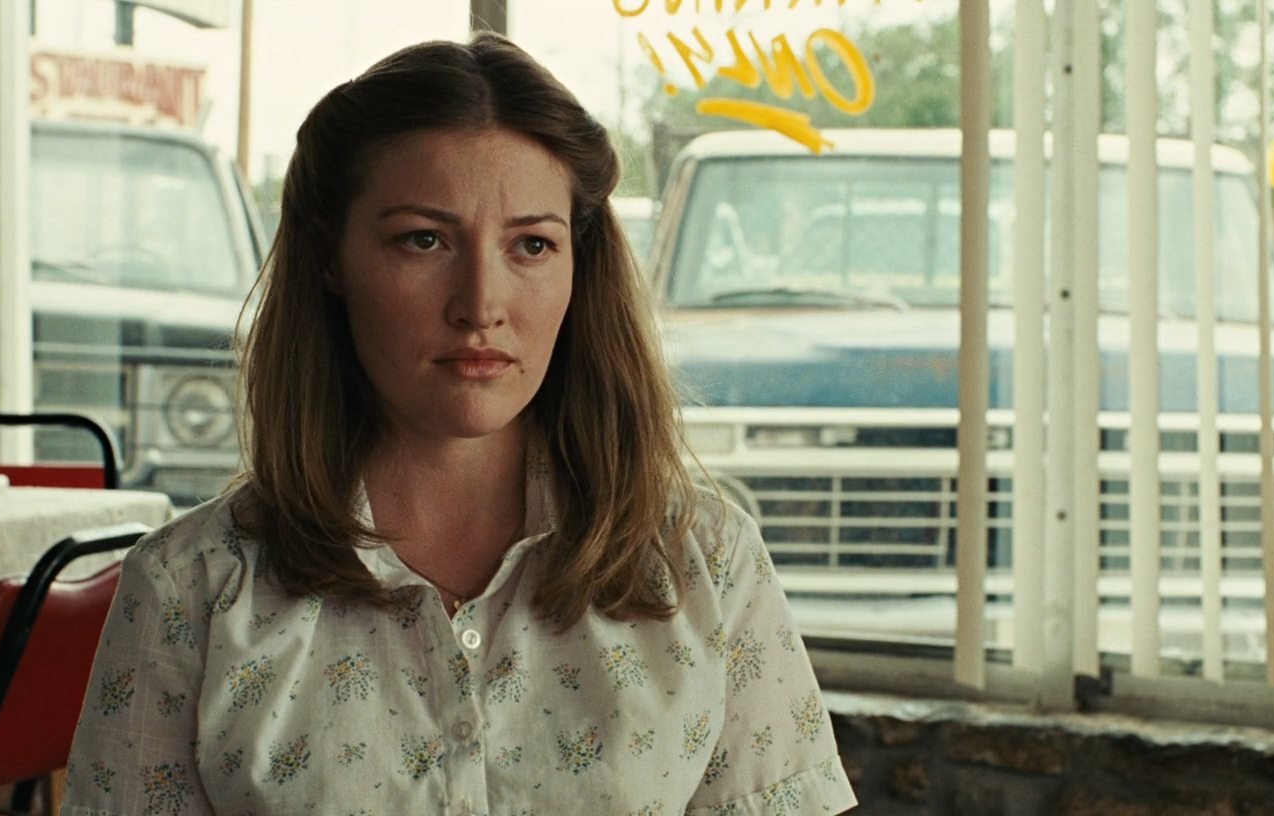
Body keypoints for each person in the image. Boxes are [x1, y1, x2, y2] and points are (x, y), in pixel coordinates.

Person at [62, 33, 856, 816]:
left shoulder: (705, 563)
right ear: (330, 258)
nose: (481, 304)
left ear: (579, 269)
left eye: (532, 245)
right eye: (425, 239)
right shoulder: (191, 589)